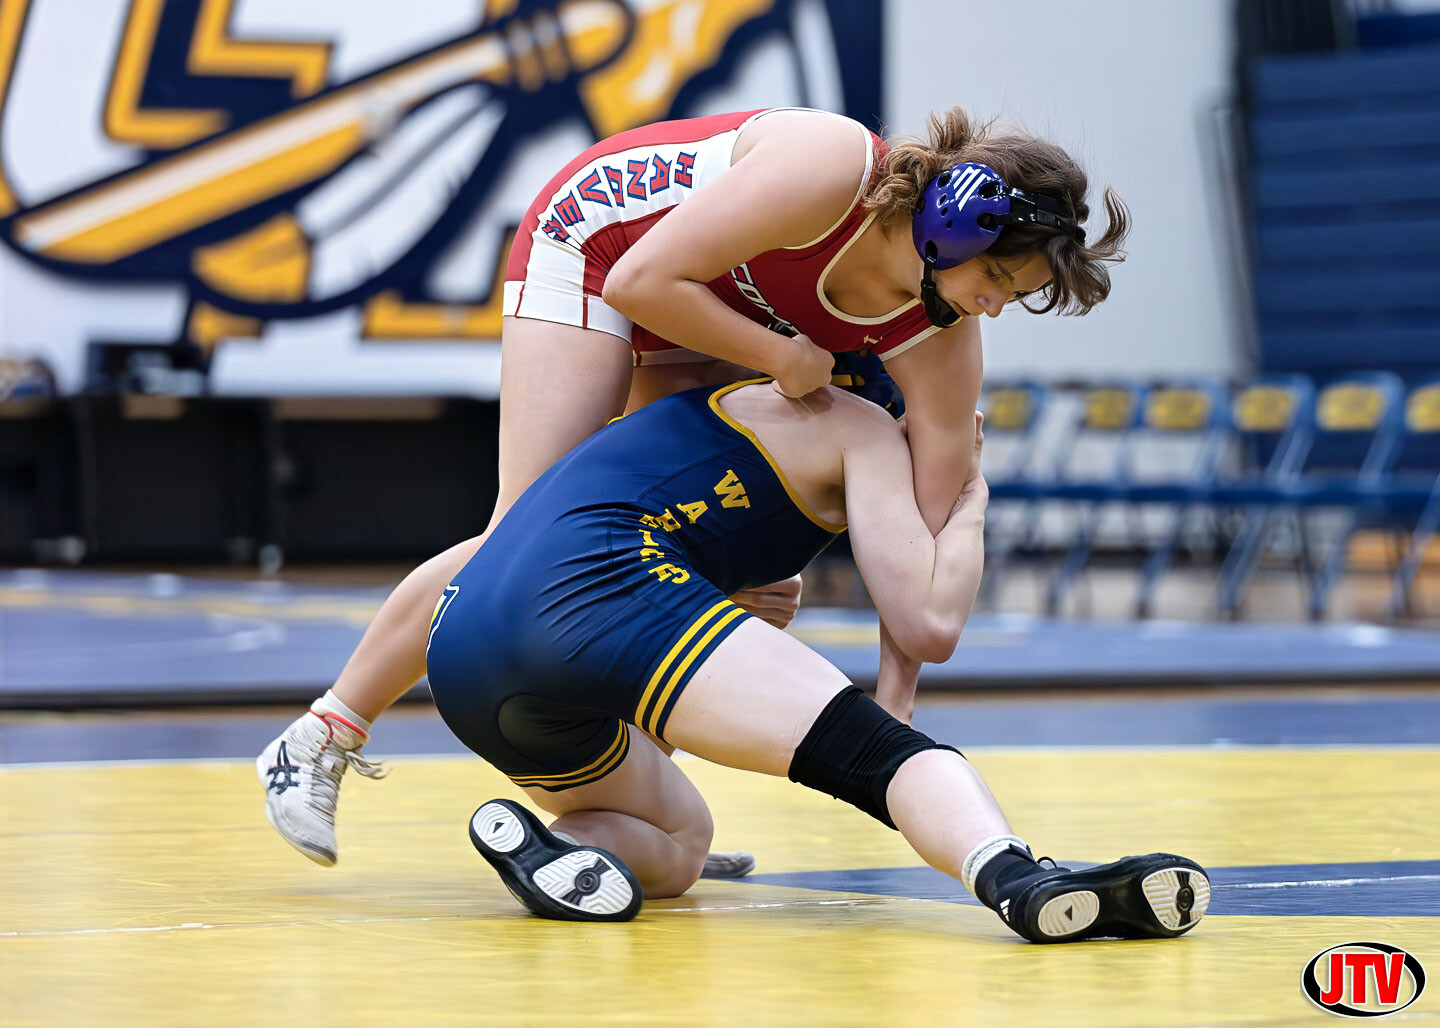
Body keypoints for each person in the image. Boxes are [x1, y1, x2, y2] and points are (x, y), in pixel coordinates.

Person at [257, 106, 1131, 873]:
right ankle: (323, 734)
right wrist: (781, 355)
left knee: (732, 574)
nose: (995, 307)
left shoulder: (942, 341)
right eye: (999, 280)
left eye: (1019, 296)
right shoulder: (831, 169)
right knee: (523, 538)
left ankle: (639, 811)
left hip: (709, 293)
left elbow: (922, 531)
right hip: (603, 246)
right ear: (954, 222)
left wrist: (894, 708)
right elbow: (640, 282)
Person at [416, 377, 1208, 940]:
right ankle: (1018, 878)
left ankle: (566, 850)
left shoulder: (708, 404)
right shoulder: (862, 427)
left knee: (683, 840)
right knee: (879, 757)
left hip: (461, 643)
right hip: (602, 589)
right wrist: (969, 504)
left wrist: (354, 710)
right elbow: (930, 622)